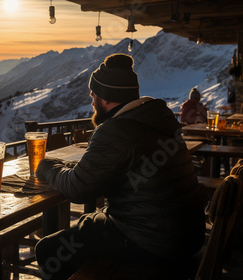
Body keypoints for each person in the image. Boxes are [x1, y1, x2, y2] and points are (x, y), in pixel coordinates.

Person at [34, 53, 205, 279]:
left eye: (93, 94)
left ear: (105, 98)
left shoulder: (117, 129)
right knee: (88, 227)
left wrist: (44, 166)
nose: (91, 100)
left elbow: (78, 188)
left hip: (152, 243)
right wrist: (66, 167)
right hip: (186, 235)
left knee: (48, 250)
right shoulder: (157, 117)